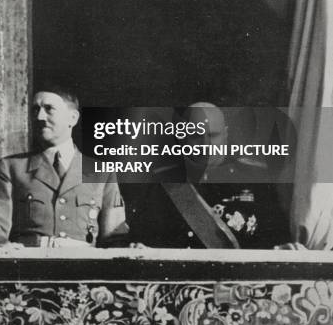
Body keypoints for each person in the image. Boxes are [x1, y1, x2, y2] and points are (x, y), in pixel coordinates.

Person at [0, 85, 127, 247]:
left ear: (73, 118)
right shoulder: (11, 168)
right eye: (35, 110)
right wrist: (1, 245)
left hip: (83, 267)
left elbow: (115, 236)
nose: (40, 116)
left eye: (49, 109)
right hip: (29, 264)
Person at [123, 103, 292, 249]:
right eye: (196, 136)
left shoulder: (256, 180)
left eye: (212, 135)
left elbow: (277, 238)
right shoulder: (162, 184)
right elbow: (143, 241)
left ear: (225, 135)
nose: (205, 144)